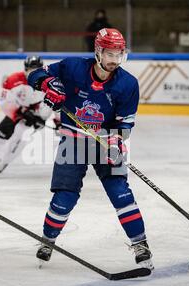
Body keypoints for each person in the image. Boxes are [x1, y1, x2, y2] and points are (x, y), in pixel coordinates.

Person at [28, 28, 153, 270]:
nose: (114, 61)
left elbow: (125, 121)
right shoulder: (72, 68)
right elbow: (34, 75)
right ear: (97, 52)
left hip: (105, 141)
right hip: (72, 141)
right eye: (109, 54)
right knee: (65, 196)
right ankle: (48, 240)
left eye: (119, 55)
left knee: (120, 193)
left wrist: (118, 140)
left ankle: (140, 243)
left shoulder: (128, 84)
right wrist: (48, 84)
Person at [0, 55, 57, 176]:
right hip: (15, 113)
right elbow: (3, 102)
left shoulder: (49, 82)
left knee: (19, 139)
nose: (33, 72)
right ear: (25, 68)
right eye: (30, 69)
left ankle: (1, 164)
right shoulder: (13, 80)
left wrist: (48, 120)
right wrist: (22, 111)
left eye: (37, 69)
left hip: (35, 116)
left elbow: (54, 102)